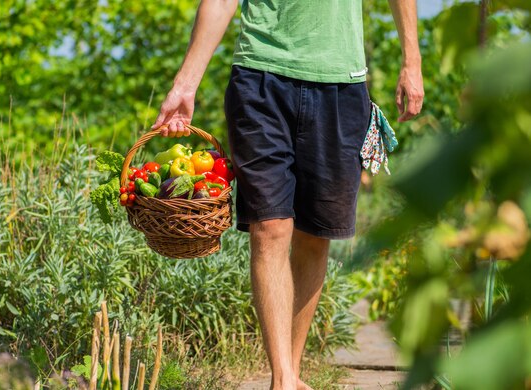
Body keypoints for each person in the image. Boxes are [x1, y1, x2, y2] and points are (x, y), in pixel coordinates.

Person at [152, 1, 424, 389]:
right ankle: (282, 378)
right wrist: (185, 83)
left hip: (341, 83)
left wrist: (411, 62)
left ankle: (291, 373)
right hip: (260, 77)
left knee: (316, 235)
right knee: (271, 227)